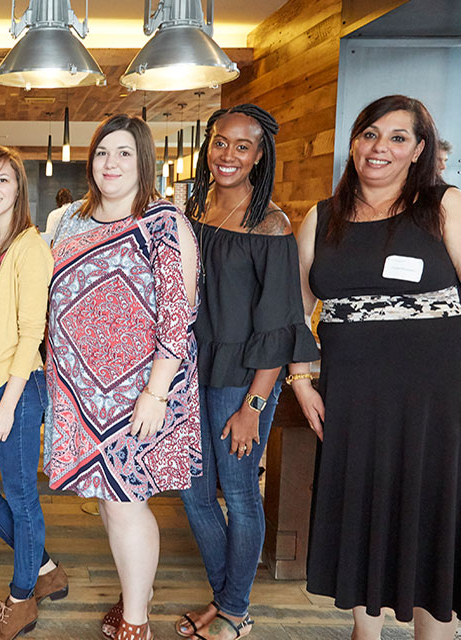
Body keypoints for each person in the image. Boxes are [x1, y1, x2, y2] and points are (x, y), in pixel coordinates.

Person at [295, 95, 461, 640]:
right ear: (352, 142)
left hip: (438, 399)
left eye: (396, 137)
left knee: (430, 508)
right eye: (369, 134)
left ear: (418, 150)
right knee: (361, 507)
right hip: (351, 395)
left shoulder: (444, 206)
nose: (379, 148)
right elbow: (294, 314)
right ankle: (365, 633)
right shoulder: (322, 217)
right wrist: (300, 381)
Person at [44, 114, 200, 640]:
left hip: (139, 389)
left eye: (125, 153)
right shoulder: (66, 220)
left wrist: (156, 392)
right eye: (103, 152)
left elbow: (179, 315)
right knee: (110, 504)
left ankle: (136, 622)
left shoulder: (163, 221)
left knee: (126, 500)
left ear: (144, 162)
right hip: (79, 388)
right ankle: (141, 591)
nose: (111, 163)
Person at [173, 105, 319, 640]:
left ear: (260, 155)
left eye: (242, 146)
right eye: (220, 142)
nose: (227, 155)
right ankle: (226, 596)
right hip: (190, 369)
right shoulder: (196, 207)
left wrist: (253, 407)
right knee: (192, 490)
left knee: (237, 490)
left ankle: (235, 610)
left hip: (241, 374)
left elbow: (281, 324)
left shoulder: (272, 223)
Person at [0, 145, 66, 640]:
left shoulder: (30, 246)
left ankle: (22, 599)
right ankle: (43, 566)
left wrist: (7, 403)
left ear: (19, 188)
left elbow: (32, 332)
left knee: (21, 496)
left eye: (2, 181)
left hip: (15, 387)